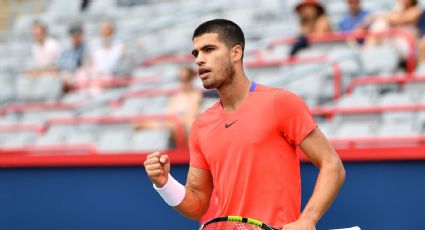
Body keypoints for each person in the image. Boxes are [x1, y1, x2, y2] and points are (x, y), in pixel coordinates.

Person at [144, 19, 345, 229]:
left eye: (209, 49)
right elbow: (198, 205)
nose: (199, 60)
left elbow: (332, 165)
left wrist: (307, 219)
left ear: (236, 53)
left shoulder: (280, 102)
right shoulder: (201, 126)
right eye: (196, 53)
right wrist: (164, 183)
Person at [134, 66, 202, 145]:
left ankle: (148, 125)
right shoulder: (176, 96)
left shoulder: (196, 95)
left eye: (186, 78)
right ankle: (148, 125)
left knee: (180, 123)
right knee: (172, 124)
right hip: (175, 131)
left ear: (192, 78)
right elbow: (169, 116)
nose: (183, 82)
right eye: (180, 78)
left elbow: (190, 117)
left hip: (187, 131)